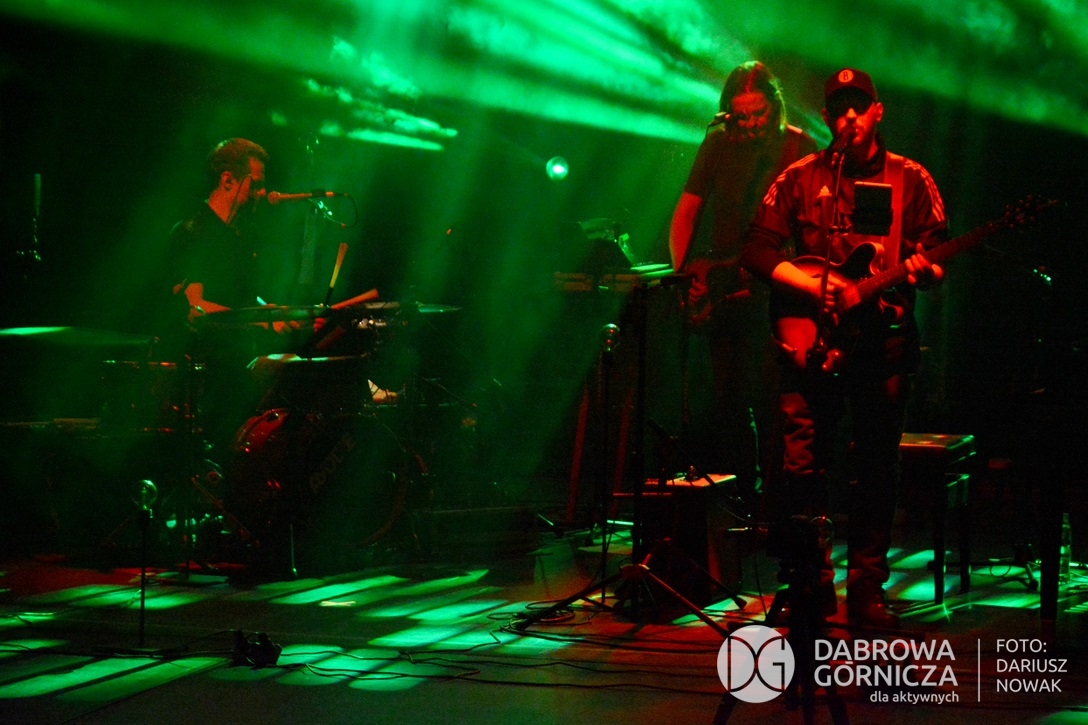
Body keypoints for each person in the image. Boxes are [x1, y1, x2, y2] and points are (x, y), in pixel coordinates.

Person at [740, 68, 947, 628]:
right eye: (839, 108)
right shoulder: (800, 176)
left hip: (882, 346)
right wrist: (810, 286)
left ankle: (866, 589)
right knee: (802, 465)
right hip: (811, 341)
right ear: (829, 117)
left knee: (875, 465)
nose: (849, 116)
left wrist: (926, 270)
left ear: (878, 112)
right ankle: (809, 581)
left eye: (859, 106)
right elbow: (755, 248)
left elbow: (935, 255)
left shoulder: (911, 179)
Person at [668, 61, 816, 508]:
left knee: (776, 398)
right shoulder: (718, 143)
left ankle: (779, 505)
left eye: (759, 114)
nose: (751, 124)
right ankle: (743, 501)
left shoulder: (799, 147)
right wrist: (684, 276)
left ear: (775, 105)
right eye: (742, 116)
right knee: (729, 401)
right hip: (726, 286)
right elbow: (686, 213)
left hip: (777, 289)